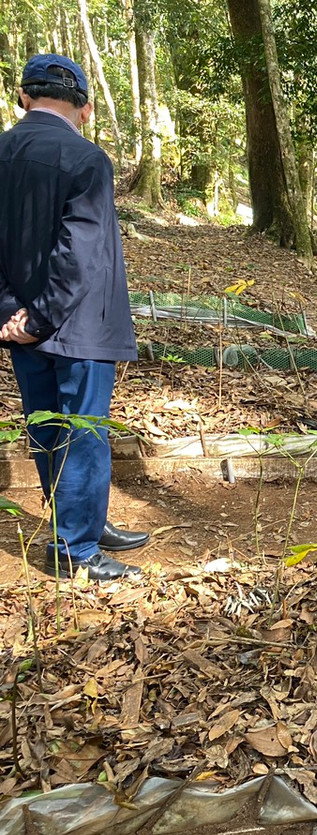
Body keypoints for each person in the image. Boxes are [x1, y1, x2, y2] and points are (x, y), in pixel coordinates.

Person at [0, 53, 148, 580]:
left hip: (21, 326)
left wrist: (13, 316)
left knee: (46, 427)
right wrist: (41, 317)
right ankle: (76, 551)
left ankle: (82, 520)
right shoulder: (86, 160)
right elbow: (80, 253)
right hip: (77, 326)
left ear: (24, 96)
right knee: (81, 431)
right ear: (84, 107)